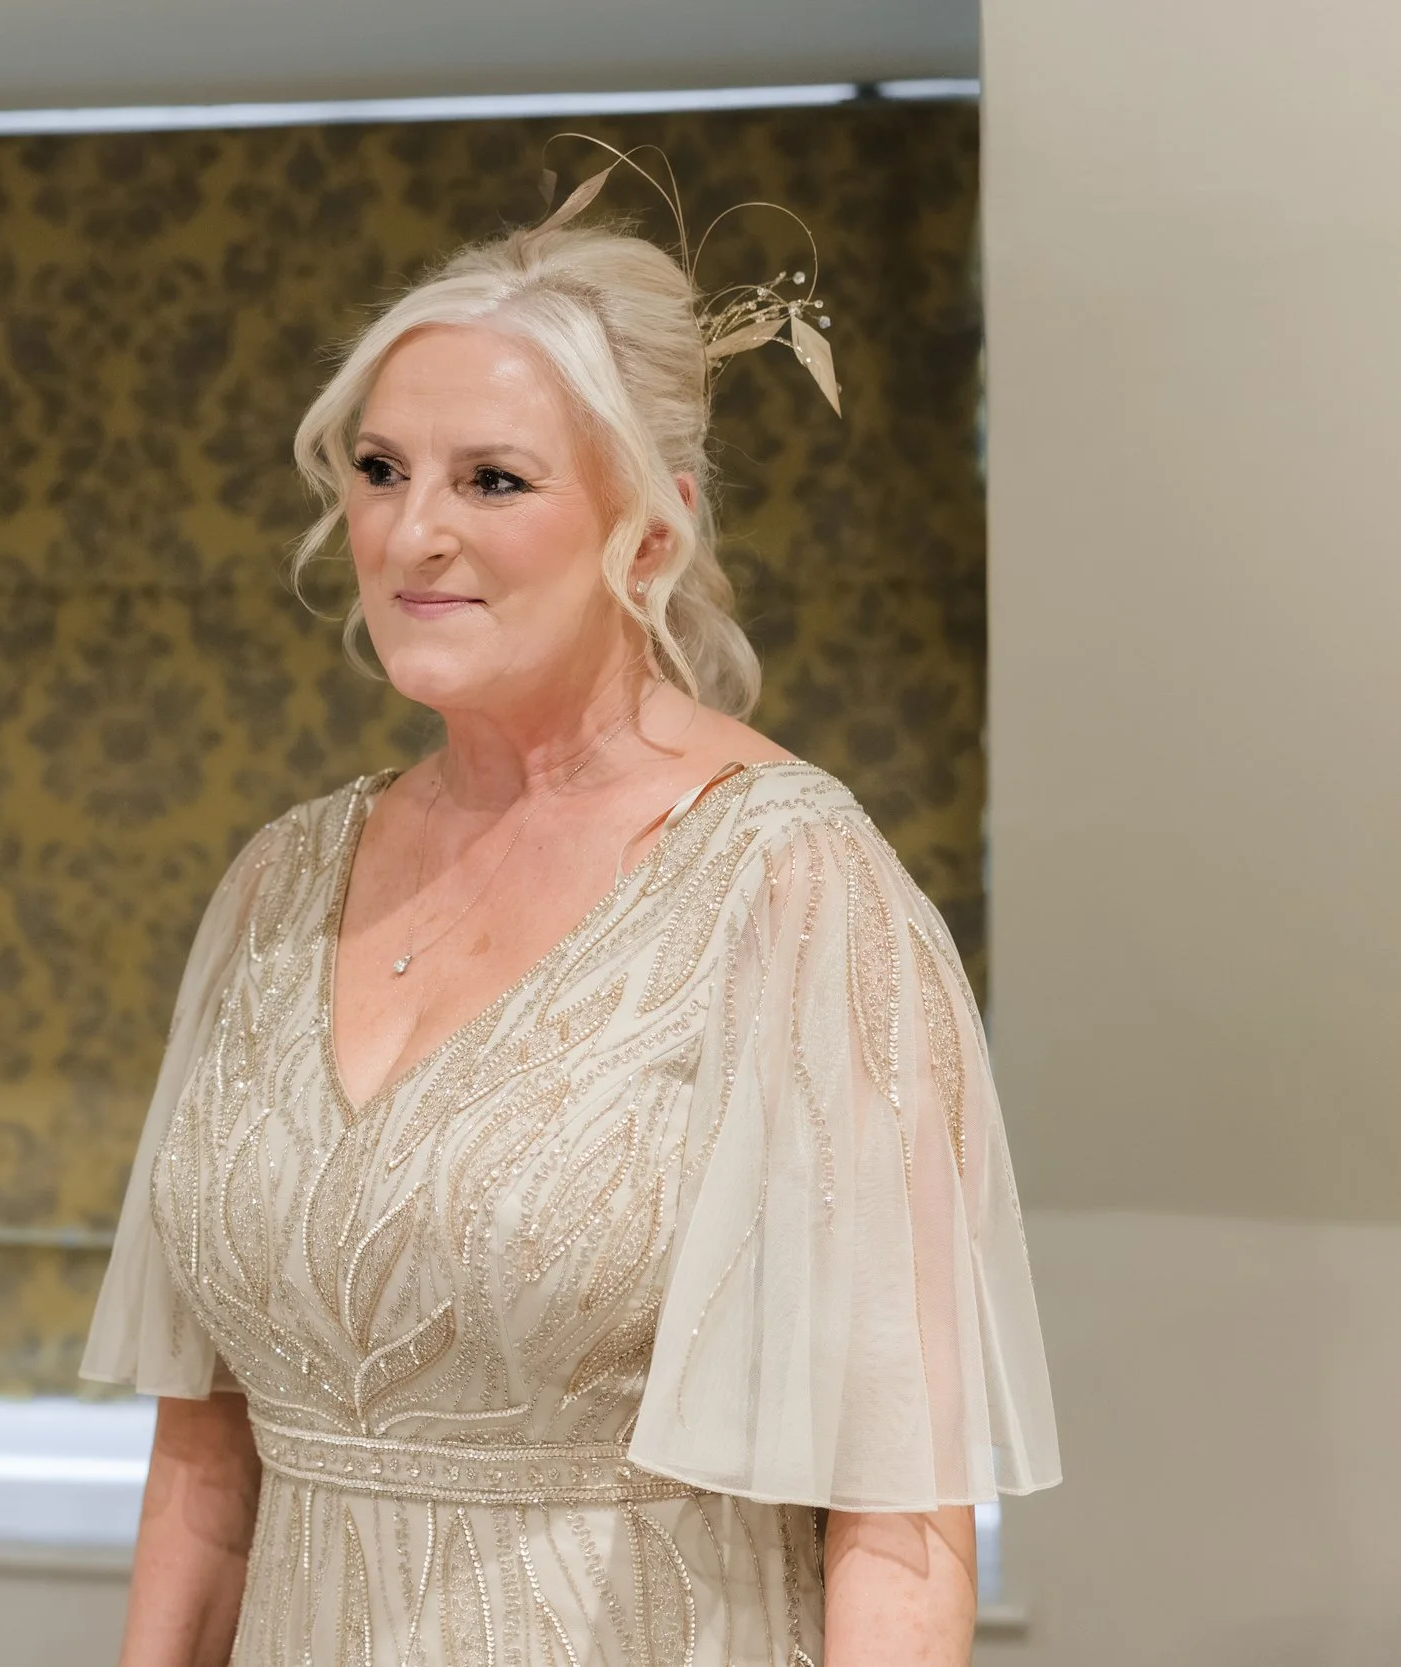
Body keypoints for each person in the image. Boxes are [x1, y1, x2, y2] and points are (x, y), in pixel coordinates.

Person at [80, 165, 1060, 1667]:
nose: (412, 537)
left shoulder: (792, 891)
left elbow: (896, 1525)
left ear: (650, 534)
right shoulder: (280, 885)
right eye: (379, 468)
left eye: (493, 479)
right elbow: (209, 1473)